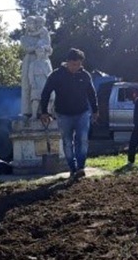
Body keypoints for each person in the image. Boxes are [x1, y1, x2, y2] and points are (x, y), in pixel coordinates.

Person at [39, 48, 98, 179]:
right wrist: (44, 112)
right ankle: (72, 168)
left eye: (79, 64)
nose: (76, 67)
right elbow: (45, 93)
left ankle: (81, 167)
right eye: (73, 64)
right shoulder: (56, 75)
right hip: (63, 114)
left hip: (82, 113)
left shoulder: (85, 75)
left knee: (82, 139)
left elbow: (91, 94)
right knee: (67, 141)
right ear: (68, 62)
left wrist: (95, 110)